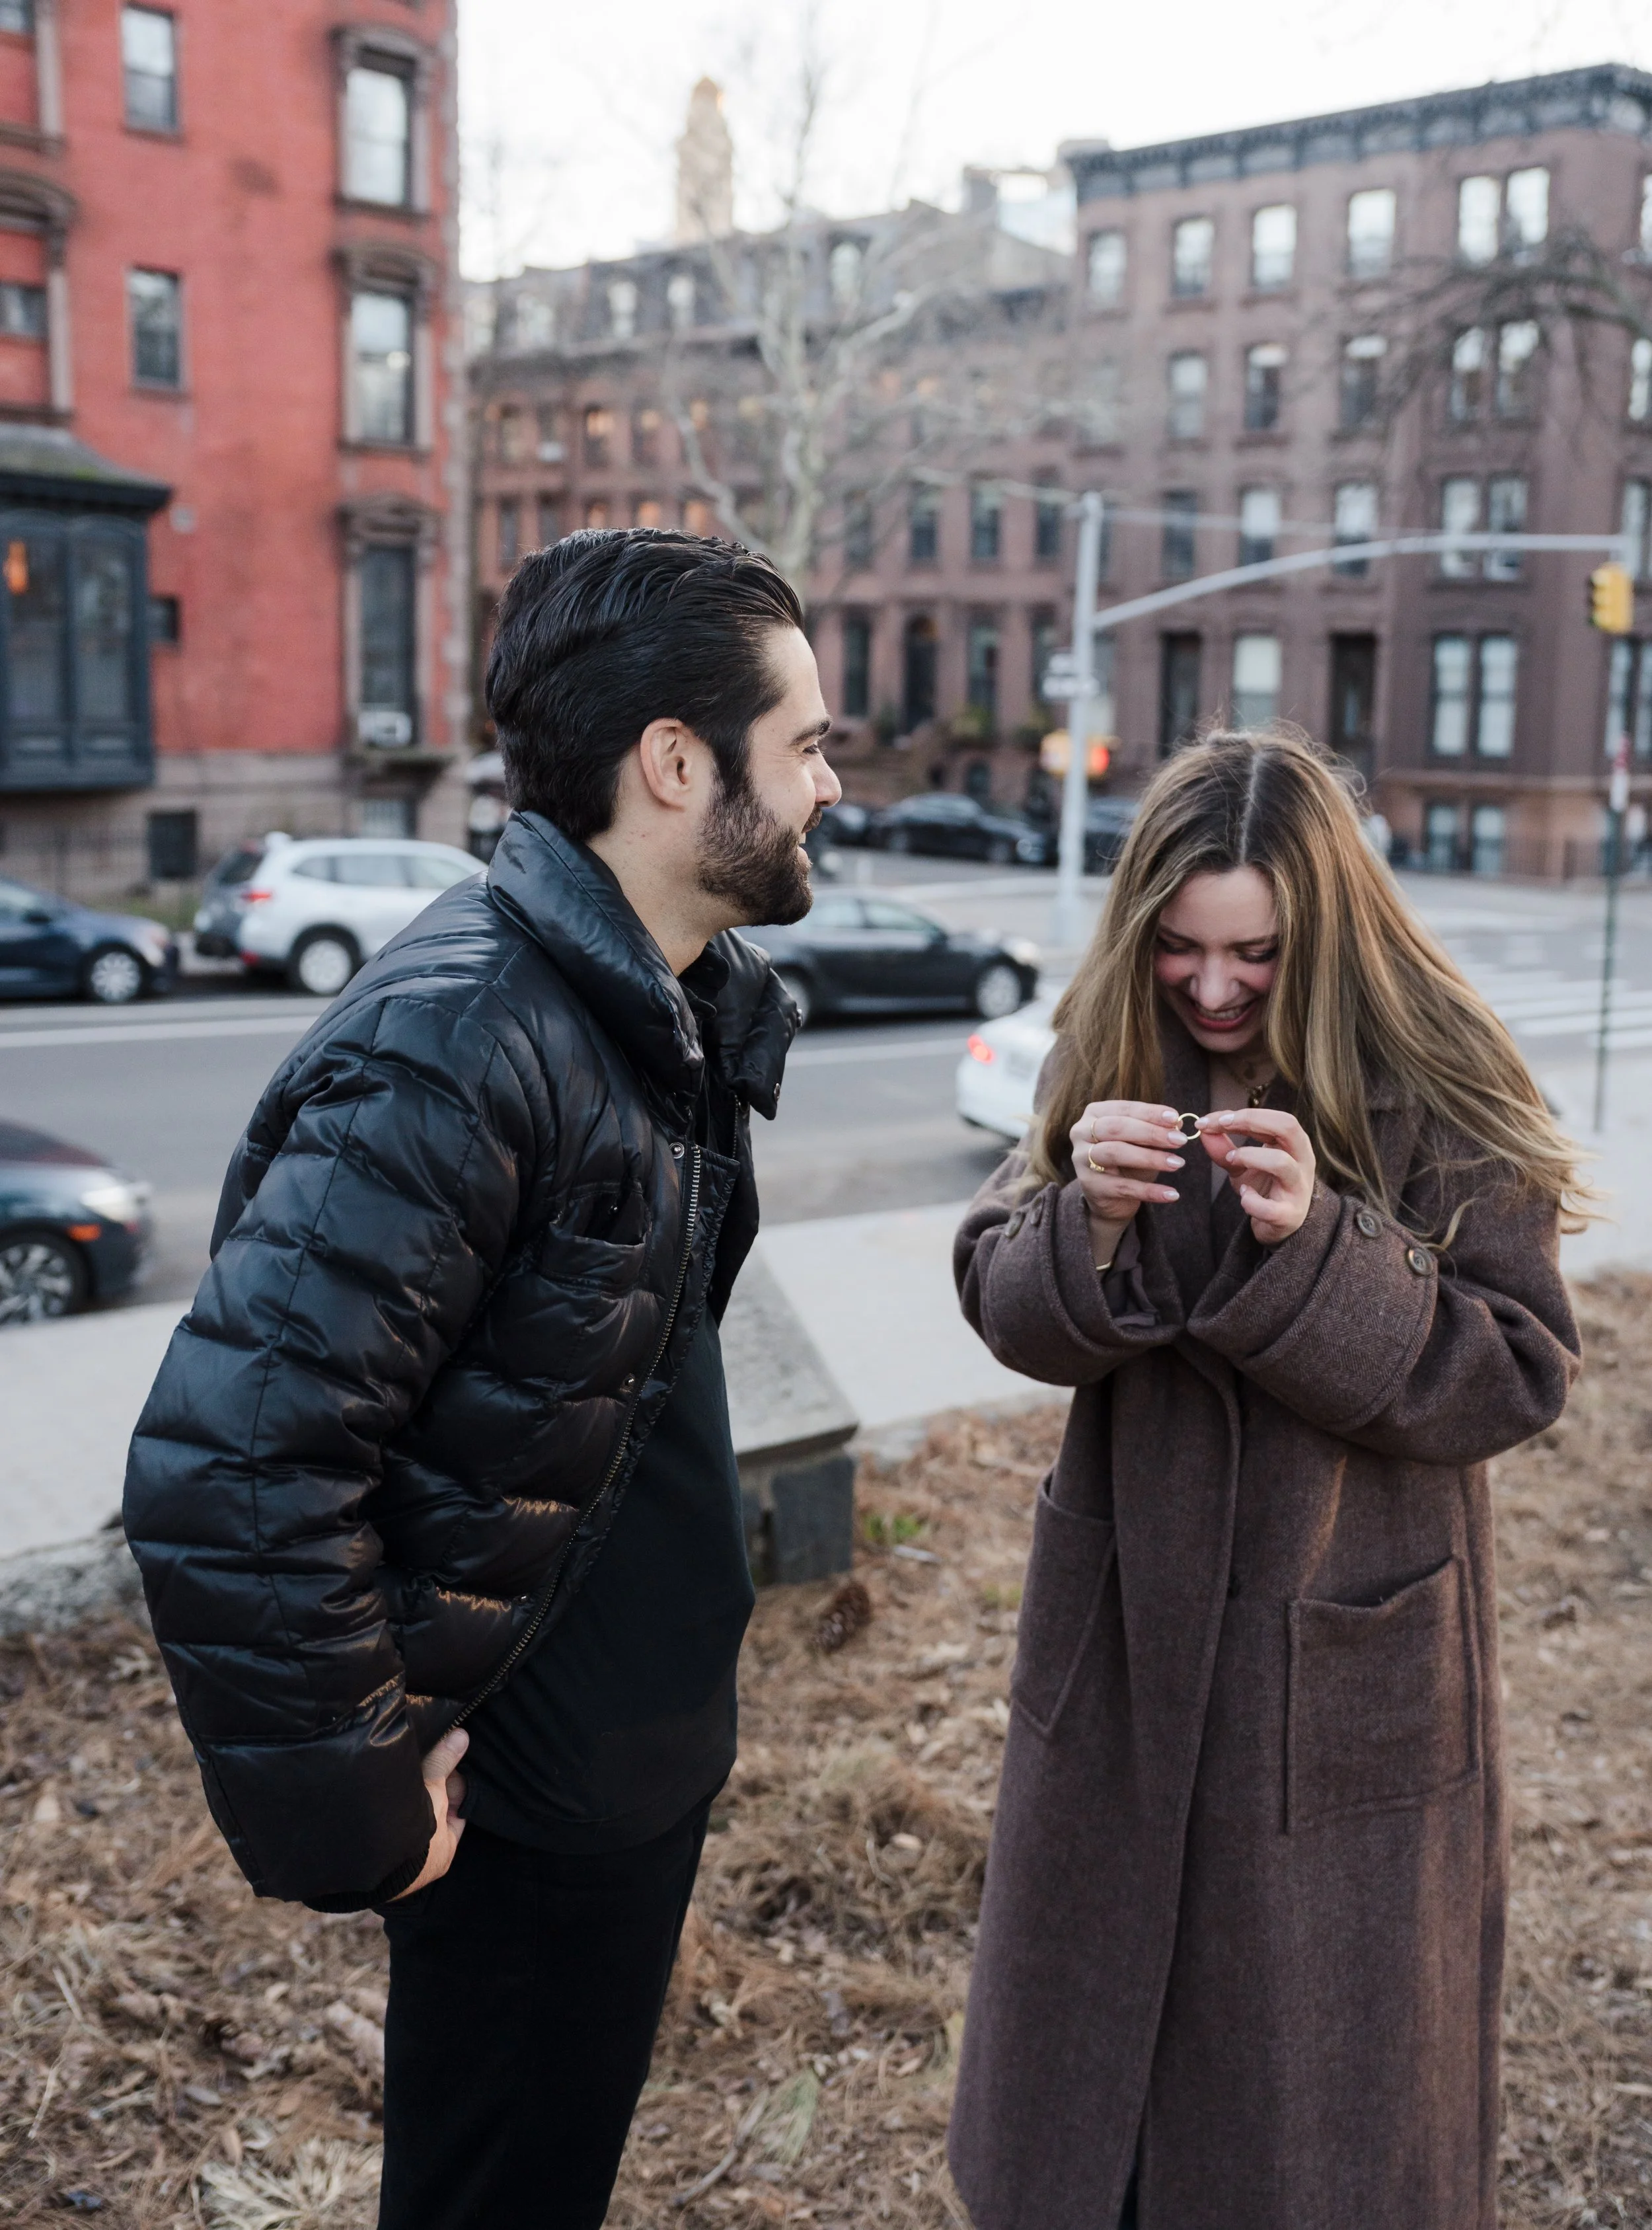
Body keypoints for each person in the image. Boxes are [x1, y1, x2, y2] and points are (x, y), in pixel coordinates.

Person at [122, 529, 841, 2229]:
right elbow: (231, 1462)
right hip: (518, 1811)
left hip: (618, 1780)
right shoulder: (462, 1042)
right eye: (804, 742)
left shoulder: (661, 1011)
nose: (829, 785)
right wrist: (357, 1801)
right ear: (678, 765)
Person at [949, 728, 1585, 2230]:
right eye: (1179, 949)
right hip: (1121, 1638)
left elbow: (1514, 1366)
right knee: (1092, 2091)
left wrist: (1323, 1251)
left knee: (1309, 2116)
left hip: (1344, 1665)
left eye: (1254, 952)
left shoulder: (1437, 1062)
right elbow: (998, 1290)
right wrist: (1079, 1226)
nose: (1216, 989)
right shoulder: (1106, 1046)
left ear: (1327, 932)